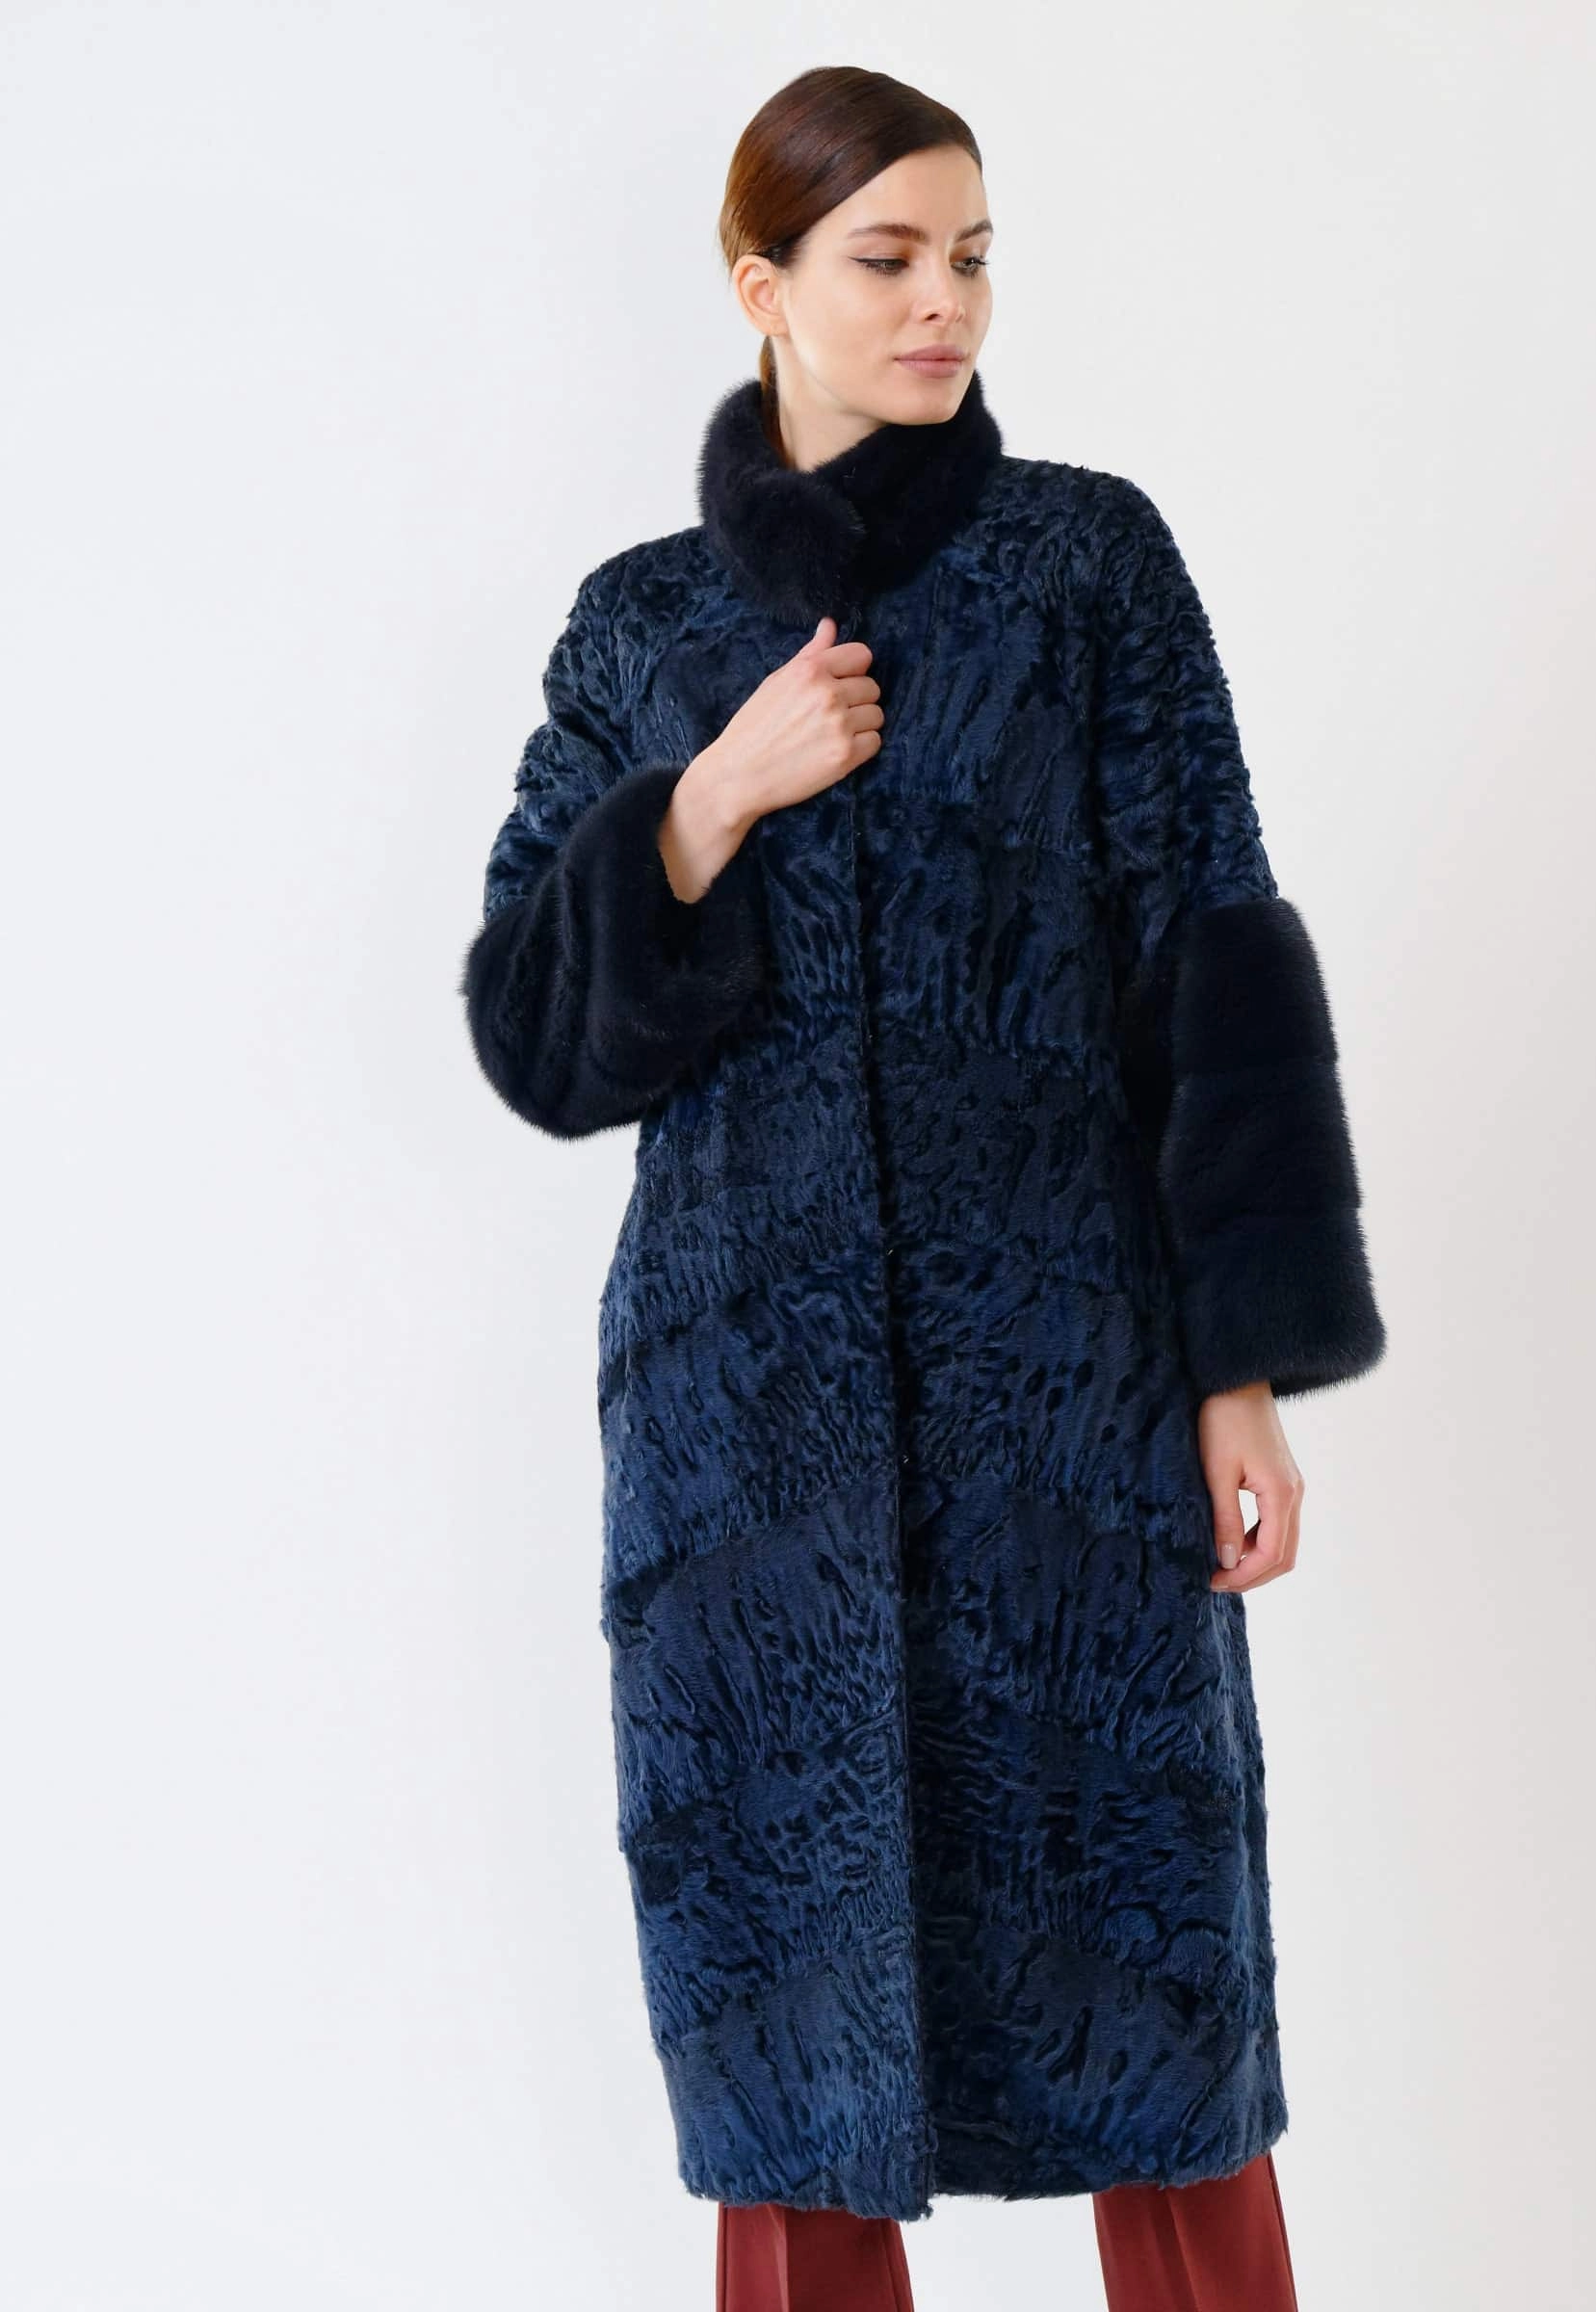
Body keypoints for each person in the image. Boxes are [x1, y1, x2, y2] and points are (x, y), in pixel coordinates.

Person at [461, 63, 1384, 2312]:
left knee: (1161, 2017)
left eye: (971, 255)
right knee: (795, 2061)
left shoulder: (1089, 566)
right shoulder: (642, 629)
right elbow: (532, 1035)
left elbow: (1213, 950)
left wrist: (1239, 1371)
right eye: (885, 258)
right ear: (759, 283)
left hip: (1071, 1399)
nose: (942, 302)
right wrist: (704, 806)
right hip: (748, 1436)